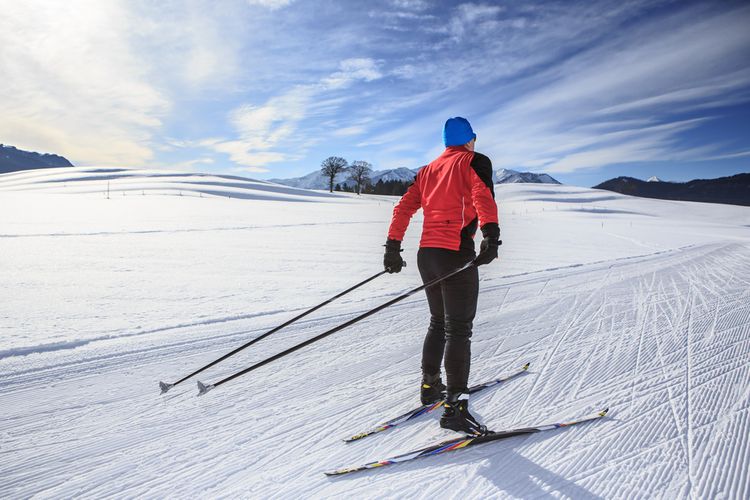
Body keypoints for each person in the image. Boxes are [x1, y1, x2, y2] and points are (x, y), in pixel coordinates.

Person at [383, 116, 500, 435]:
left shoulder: (428, 170)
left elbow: (404, 207)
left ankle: (431, 387)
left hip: (427, 256)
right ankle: (455, 409)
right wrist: (491, 234)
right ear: (469, 139)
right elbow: (482, 196)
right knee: (459, 330)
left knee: (439, 322)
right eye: (473, 138)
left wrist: (393, 246)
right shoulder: (474, 161)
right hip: (454, 254)